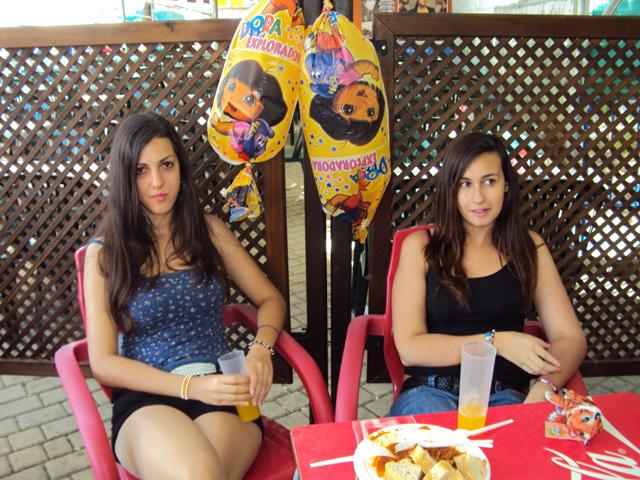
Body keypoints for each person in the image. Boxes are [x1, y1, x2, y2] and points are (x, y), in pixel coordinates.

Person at [84, 112, 286, 479]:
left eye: (166, 165)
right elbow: (103, 363)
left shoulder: (209, 231)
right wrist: (191, 387)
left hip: (222, 390)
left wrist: (261, 349)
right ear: (124, 177)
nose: (157, 182)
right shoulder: (106, 253)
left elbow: (271, 300)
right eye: (140, 171)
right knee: (199, 473)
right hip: (146, 397)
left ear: (181, 168)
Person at [388, 132, 587, 416]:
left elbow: (570, 337)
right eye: (465, 184)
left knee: (511, 445)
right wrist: (495, 342)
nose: (478, 197)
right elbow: (409, 348)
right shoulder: (421, 247)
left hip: (505, 394)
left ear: (506, 185)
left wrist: (545, 385)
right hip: (431, 390)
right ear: (450, 189)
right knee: (437, 443)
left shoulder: (529, 248)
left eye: (489, 181)